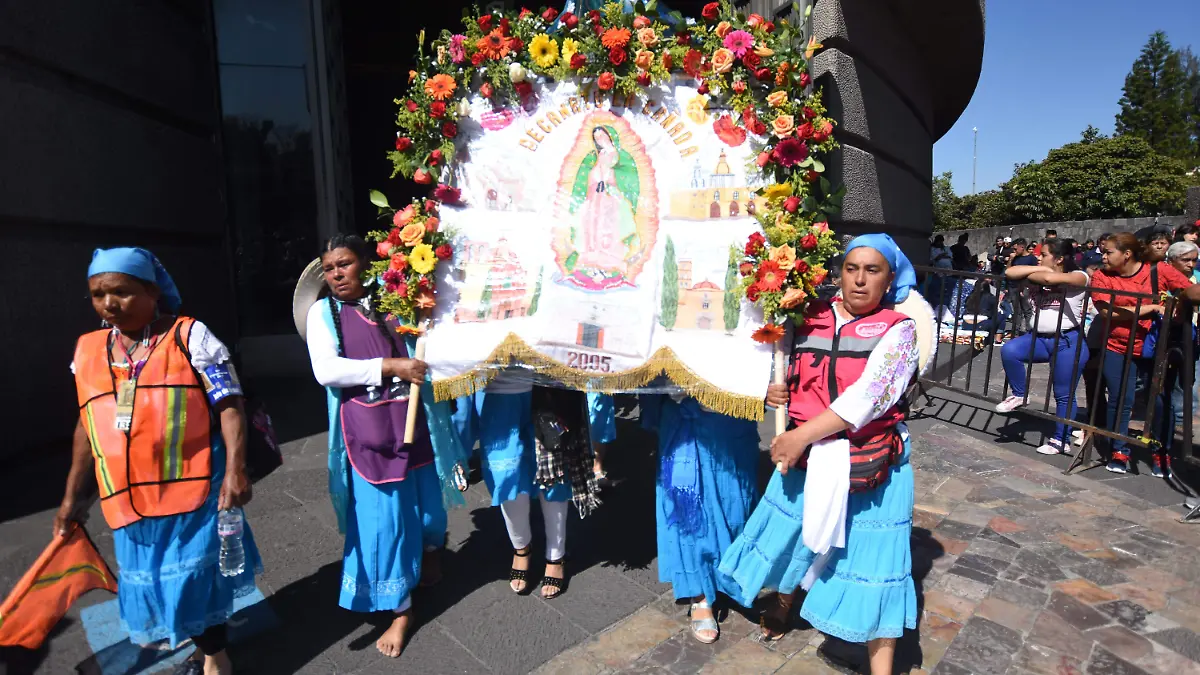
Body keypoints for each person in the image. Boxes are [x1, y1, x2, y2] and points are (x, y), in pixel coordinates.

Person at [719, 234, 920, 675]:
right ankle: (785, 602)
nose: (860, 280)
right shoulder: (806, 316)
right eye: (852, 269)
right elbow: (785, 367)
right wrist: (773, 388)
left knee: (875, 558)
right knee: (795, 533)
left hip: (873, 460)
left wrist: (798, 436)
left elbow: (870, 396)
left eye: (873, 270)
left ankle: (881, 668)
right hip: (808, 454)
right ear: (839, 273)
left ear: (889, 280)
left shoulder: (899, 329)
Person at [57, 248, 260, 675]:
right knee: (152, 586)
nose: (109, 303)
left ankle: (215, 658)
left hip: (193, 491)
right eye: (98, 294)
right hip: (126, 501)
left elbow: (230, 405)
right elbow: (86, 425)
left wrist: (237, 469)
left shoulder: (192, 337)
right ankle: (198, 645)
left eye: (122, 291)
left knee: (194, 583)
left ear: (151, 292)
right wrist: (73, 496)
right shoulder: (89, 350)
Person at [305, 234, 460, 658]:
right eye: (330, 268)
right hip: (369, 434)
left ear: (365, 265)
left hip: (414, 422)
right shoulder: (325, 313)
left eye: (345, 264)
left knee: (428, 505)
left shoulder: (393, 300)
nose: (337, 274)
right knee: (384, 522)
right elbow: (327, 370)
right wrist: (392, 366)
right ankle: (400, 608)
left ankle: (431, 552)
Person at [641, 394, 760, 644]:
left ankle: (729, 575)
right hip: (684, 408)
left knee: (736, 504)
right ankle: (699, 594)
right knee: (690, 507)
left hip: (733, 411)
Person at [1090, 233, 1194, 476]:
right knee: (1119, 399)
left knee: (1159, 402)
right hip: (1116, 346)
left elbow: (1189, 290)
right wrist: (1151, 307)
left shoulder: (1159, 271)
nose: (1102, 256)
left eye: (1108, 252)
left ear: (1127, 254)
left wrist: (1178, 305)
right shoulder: (1101, 276)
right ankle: (1119, 449)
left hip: (1155, 346)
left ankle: (1161, 451)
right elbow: (1108, 312)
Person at [996, 239, 1091, 455]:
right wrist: (1041, 267)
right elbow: (1011, 272)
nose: (1038, 257)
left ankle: (1061, 439)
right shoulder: (1041, 270)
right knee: (1009, 350)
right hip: (1039, 338)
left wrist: (1038, 273)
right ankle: (1020, 395)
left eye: (1044, 254)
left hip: (1068, 341)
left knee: (1063, 394)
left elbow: (1049, 278)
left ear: (1059, 258)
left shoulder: (1080, 276)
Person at [1166, 241, 1200, 449]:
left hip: (1193, 335)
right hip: (1167, 333)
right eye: (1185, 260)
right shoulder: (1162, 278)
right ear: (1171, 261)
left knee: (1188, 378)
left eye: (1194, 260)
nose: (1190, 264)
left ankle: (1181, 420)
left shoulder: (1198, 278)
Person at [1006, 239, 1037, 337]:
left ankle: (1029, 332)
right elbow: (1008, 270)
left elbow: (1034, 273)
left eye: (1015, 249)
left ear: (1022, 247)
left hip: (1025, 287)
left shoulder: (1031, 259)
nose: (1014, 251)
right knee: (1016, 311)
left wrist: (1027, 287)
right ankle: (1015, 333)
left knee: (1027, 310)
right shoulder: (1015, 258)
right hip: (1013, 286)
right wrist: (1011, 259)